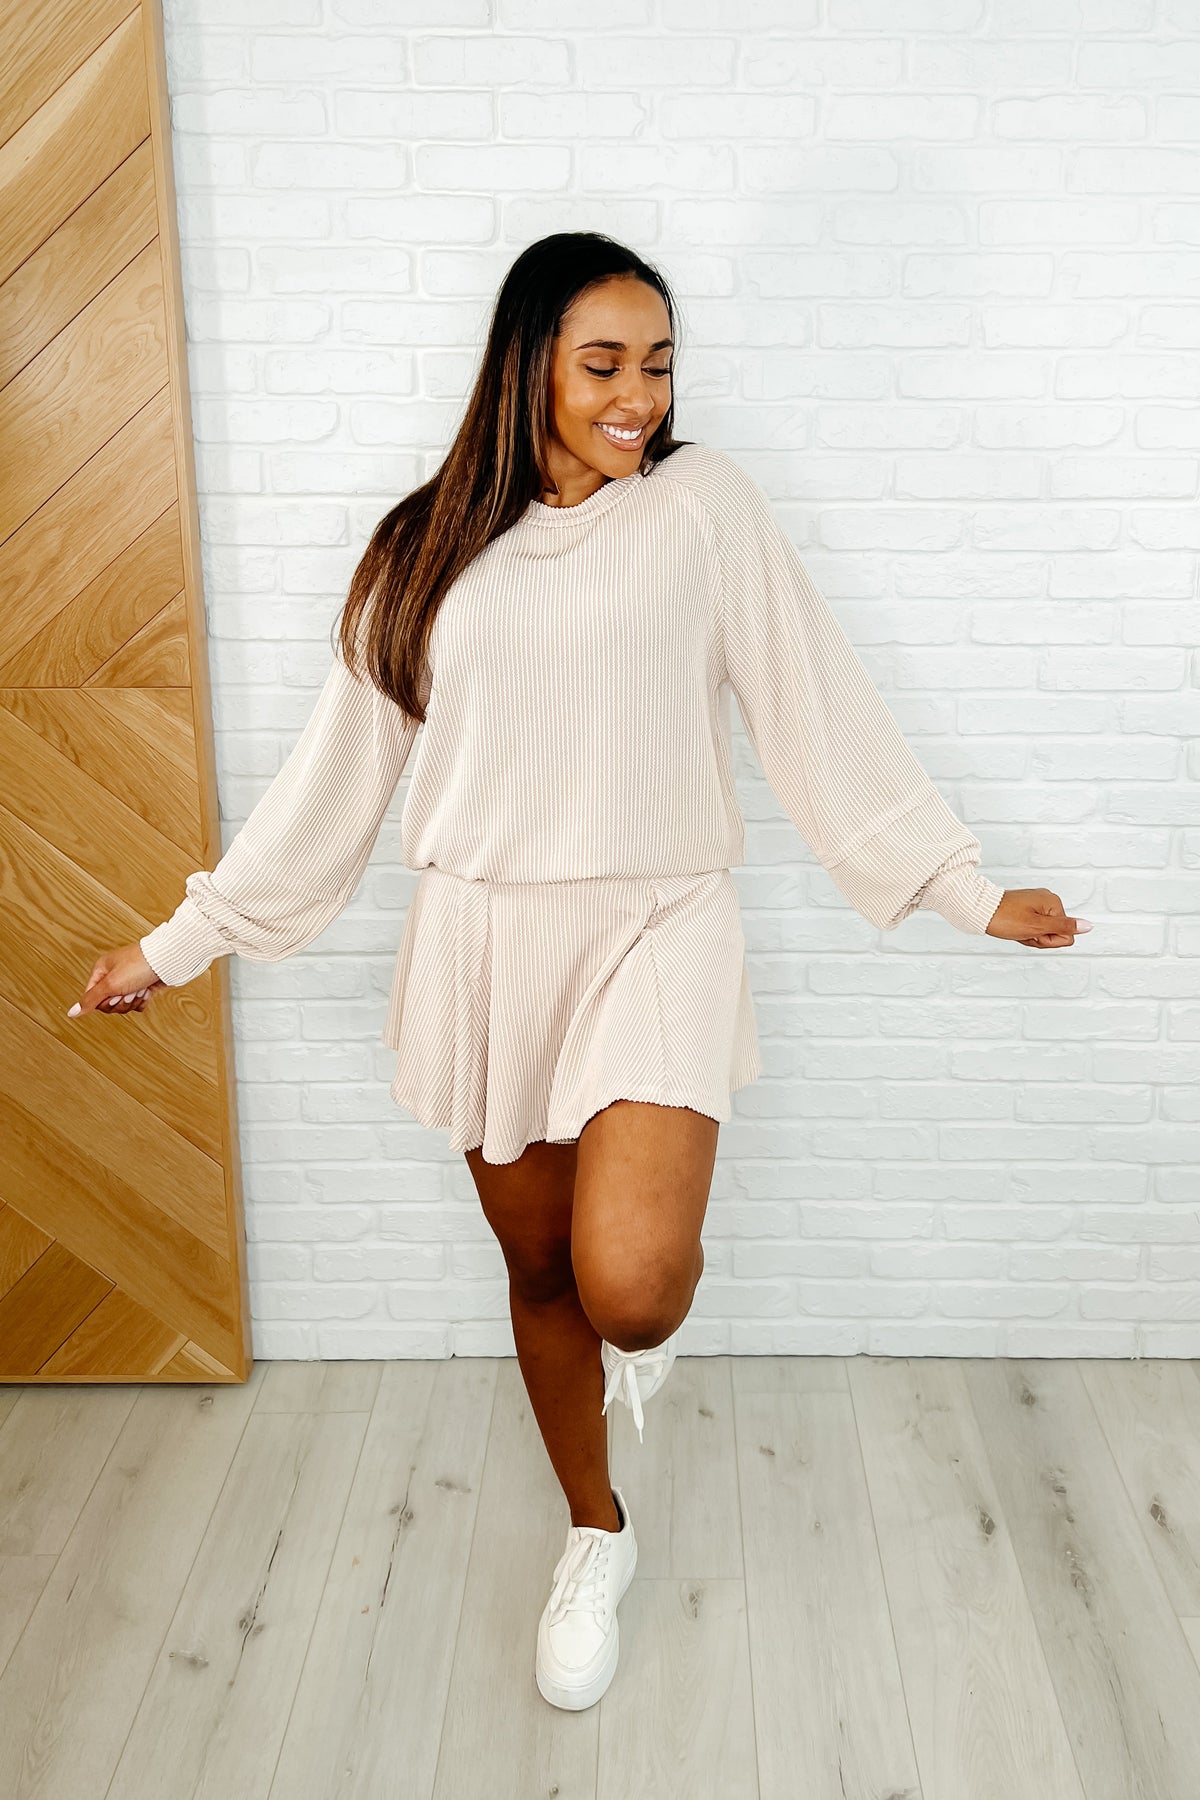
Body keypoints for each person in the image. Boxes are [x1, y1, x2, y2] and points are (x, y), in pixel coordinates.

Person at [68, 230, 1091, 1713]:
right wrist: (178, 946)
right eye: (604, 363)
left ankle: (638, 1345)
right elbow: (333, 782)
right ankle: (595, 1531)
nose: (639, 396)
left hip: (660, 919)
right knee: (542, 1268)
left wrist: (966, 890)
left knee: (634, 1287)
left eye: (659, 364)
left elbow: (813, 701)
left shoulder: (701, 508)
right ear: (527, 367)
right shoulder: (422, 549)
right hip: (486, 943)